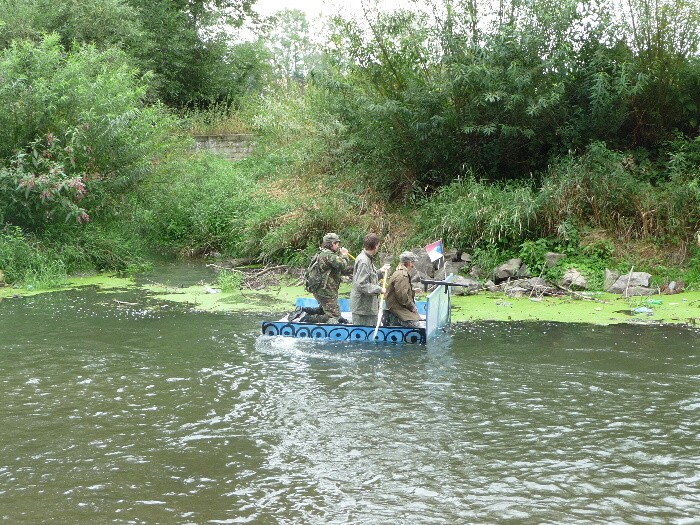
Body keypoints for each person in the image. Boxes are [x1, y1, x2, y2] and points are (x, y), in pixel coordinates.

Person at [290, 232, 350, 324]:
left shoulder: (323, 254)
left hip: (321, 290)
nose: (338, 246)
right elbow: (342, 265)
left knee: (324, 310)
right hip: (325, 291)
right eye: (337, 244)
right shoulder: (328, 256)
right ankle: (307, 318)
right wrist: (344, 254)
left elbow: (338, 270)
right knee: (334, 318)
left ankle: (304, 310)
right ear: (331, 244)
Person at [350, 233, 391, 326]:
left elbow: (369, 277)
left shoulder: (368, 259)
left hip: (368, 308)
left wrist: (381, 271)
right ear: (376, 246)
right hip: (362, 309)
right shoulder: (364, 261)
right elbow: (361, 284)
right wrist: (380, 289)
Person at [384, 251, 424, 328]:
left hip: (397, 307)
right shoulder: (402, 276)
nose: (413, 265)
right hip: (397, 310)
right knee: (417, 328)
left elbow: (401, 291)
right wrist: (412, 307)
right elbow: (402, 296)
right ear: (409, 263)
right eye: (412, 263)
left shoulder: (399, 272)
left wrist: (412, 291)